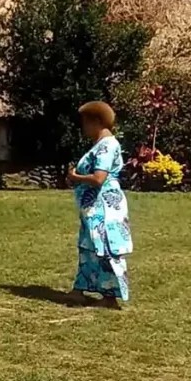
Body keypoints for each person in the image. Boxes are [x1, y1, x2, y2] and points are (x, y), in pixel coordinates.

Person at [66, 101, 132, 308]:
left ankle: (109, 296)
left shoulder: (107, 146)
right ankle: (80, 290)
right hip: (94, 207)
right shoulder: (100, 145)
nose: (83, 127)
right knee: (88, 246)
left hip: (102, 206)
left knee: (103, 246)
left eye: (85, 122)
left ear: (95, 121)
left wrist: (76, 177)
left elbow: (98, 178)